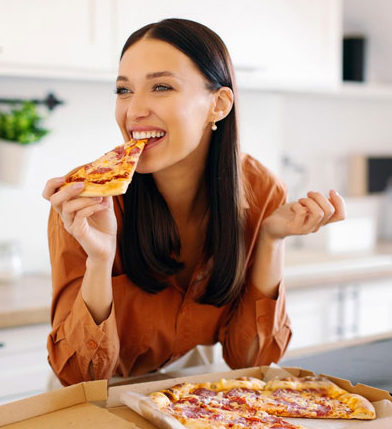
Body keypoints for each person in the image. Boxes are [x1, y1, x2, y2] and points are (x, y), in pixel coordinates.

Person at [42, 19, 346, 386]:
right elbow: (79, 378)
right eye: (124, 90)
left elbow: (254, 362)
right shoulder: (86, 200)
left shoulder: (261, 189)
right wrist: (99, 259)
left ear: (218, 104)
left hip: (189, 388)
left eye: (161, 86)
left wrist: (269, 239)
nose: (134, 110)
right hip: (97, 395)